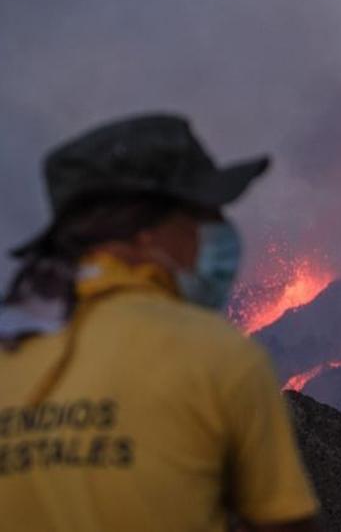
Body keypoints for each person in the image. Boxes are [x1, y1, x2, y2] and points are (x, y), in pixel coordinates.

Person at [0, 114, 319, 531]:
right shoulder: (218, 357)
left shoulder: (10, 355)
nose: (218, 231)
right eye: (203, 215)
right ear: (145, 234)